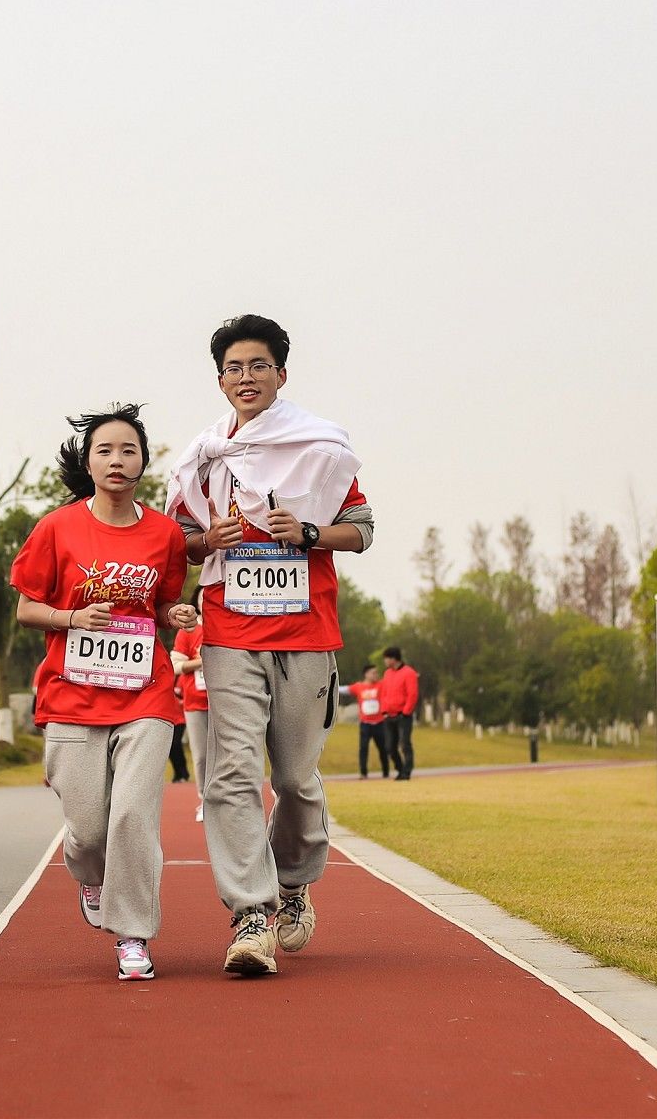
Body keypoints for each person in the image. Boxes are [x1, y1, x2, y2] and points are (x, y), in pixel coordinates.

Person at [169, 314, 373, 977]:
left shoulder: (319, 446)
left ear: (281, 374)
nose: (246, 377)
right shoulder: (202, 458)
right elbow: (179, 542)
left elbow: (363, 528)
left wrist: (310, 531)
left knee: (292, 778)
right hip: (229, 629)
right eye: (234, 368)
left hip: (305, 630)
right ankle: (250, 915)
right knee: (229, 774)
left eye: (259, 366)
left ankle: (292, 885)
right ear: (220, 379)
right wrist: (210, 543)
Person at [10, 406, 196, 981]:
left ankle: (134, 935)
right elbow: (25, 608)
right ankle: (90, 876)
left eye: (129, 451)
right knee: (90, 831)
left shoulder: (164, 533)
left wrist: (176, 613)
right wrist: (71, 618)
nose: (118, 460)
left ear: (143, 462)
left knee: (134, 817)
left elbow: (161, 604)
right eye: (105, 451)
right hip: (73, 696)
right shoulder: (57, 528)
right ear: (88, 462)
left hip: (145, 695)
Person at [169, 596, 209, 821]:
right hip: (195, 702)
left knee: (229, 755)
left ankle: (228, 802)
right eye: (204, 595)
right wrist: (202, 662)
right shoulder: (189, 631)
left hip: (226, 701)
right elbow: (174, 666)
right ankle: (205, 799)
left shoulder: (228, 626)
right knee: (202, 755)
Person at [380, 647, 420, 780]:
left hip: (403, 715)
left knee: (405, 743)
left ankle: (406, 772)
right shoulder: (387, 673)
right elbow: (384, 693)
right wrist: (384, 711)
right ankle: (400, 769)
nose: (384, 661)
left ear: (393, 658)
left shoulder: (409, 673)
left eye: (386, 658)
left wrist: (406, 711)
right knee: (389, 747)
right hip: (389, 715)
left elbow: (412, 694)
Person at [352, 663, 390, 779]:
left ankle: (386, 772)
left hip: (379, 723)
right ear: (366, 674)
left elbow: (392, 684)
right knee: (363, 748)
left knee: (383, 748)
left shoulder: (381, 685)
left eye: (377, 673)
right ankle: (363, 773)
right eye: (373, 673)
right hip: (365, 724)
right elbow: (343, 689)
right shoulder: (358, 686)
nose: (376, 675)